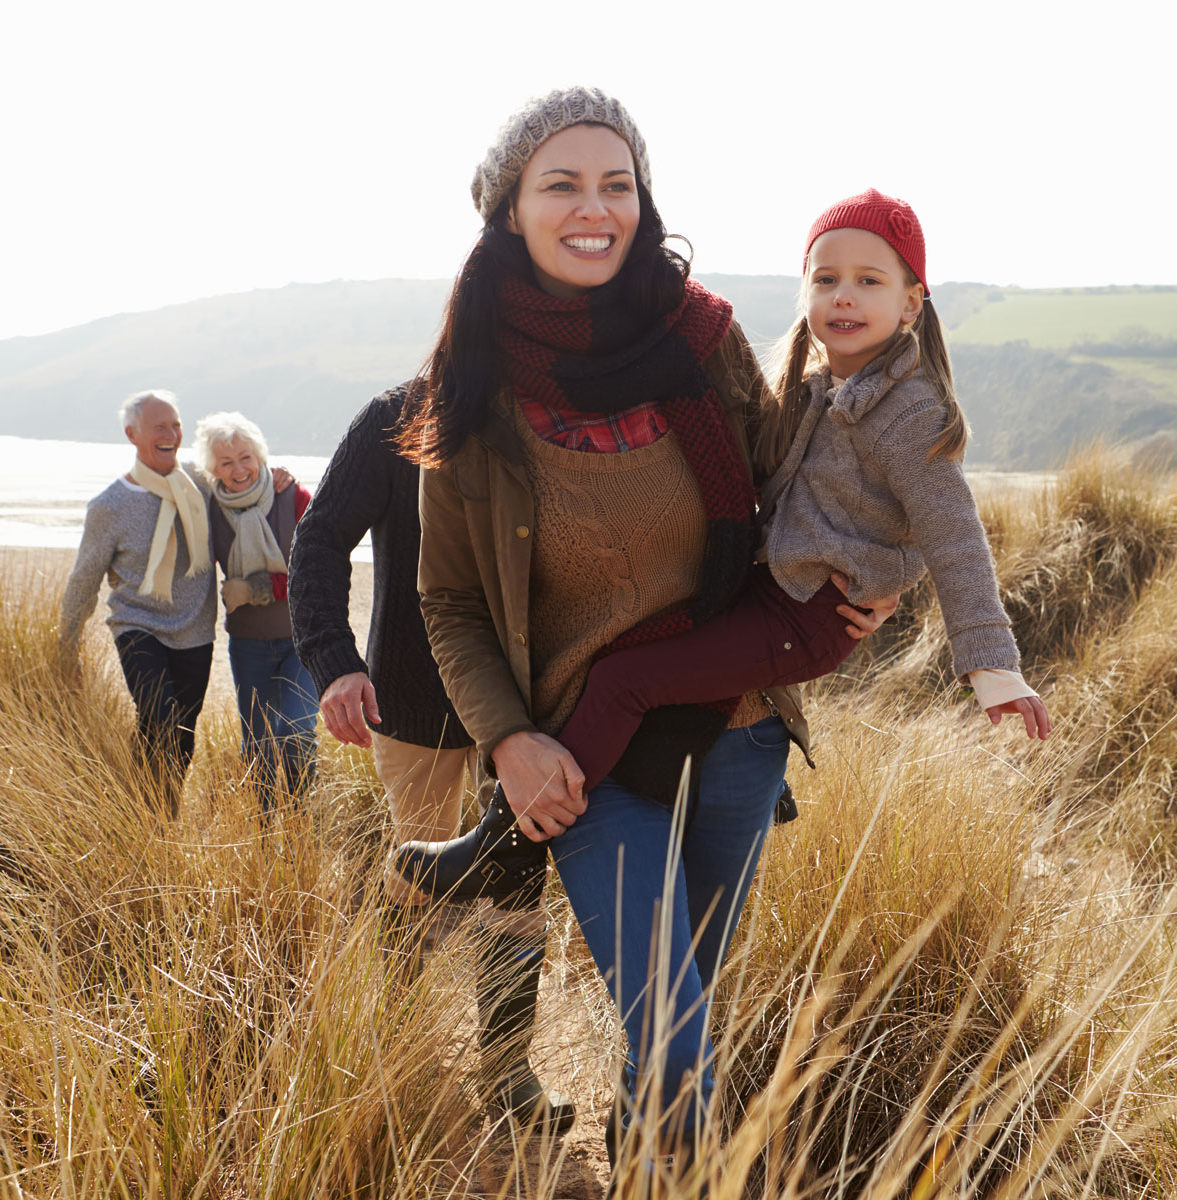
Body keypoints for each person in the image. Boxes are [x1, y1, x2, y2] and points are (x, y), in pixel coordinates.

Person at [390, 88, 896, 1175]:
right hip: (586, 756)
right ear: (510, 208)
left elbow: (790, 486)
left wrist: (881, 563)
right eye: (561, 184)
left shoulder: (704, 343)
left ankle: (641, 1151)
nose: (596, 207)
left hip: (738, 733)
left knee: (679, 1016)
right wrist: (509, 741)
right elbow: (451, 603)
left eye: (616, 184)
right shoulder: (470, 394)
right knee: (676, 1028)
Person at [403, 189, 1053, 894]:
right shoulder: (819, 389)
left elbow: (951, 531)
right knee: (630, 655)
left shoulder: (909, 409)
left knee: (625, 680)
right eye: (826, 279)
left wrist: (990, 664)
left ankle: (510, 845)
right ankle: (572, 820)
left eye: (870, 281)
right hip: (778, 591)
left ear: (911, 303)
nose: (844, 296)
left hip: (805, 613)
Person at [286, 383, 574, 1136]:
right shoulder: (395, 416)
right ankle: (394, 1027)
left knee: (519, 877)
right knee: (422, 879)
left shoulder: (559, 409)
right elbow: (318, 540)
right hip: (408, 699)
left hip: (526, 705)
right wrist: (334, 660)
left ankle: (507, 1069)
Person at [61, 389, 215, 817]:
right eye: (160, 427)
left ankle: (162, 817)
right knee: (159, 717)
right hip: (138, 626)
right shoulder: (109, 505)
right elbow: (83, 580)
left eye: (176, 424)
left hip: (196, 630)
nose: (171, 434)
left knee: (182, 733)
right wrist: (67, 644)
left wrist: (274, 476)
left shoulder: (201, 485)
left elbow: (246, 489)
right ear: (132, 434)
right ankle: (138, 810)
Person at [194, 412, 318, 810]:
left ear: (260, 455)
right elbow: (170, 476)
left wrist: (256, 589)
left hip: (302, 641)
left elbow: (316, 572)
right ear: (213, 468)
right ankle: (264, 833)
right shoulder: (209, 507)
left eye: (245, 457)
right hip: (247, 645)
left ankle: (303, 829)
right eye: (226, 462)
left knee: (298, 732)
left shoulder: (294, 498)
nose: (238, 469)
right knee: (259, 743)